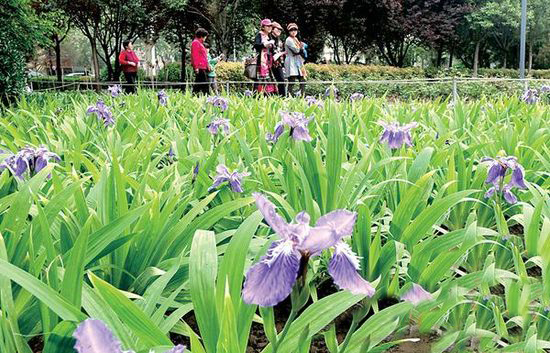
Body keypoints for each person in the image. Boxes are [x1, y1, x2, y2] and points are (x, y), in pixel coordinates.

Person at [253, 19, 277, 94]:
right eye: (268, 26)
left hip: (268, 61)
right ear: (263, 27)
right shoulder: (259, 35)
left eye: (271, 26)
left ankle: (267, 96)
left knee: (268, 79)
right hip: (261, 61)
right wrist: (264, 44)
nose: (270, 28)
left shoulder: (269, 36)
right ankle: (256, 95)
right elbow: (256, 45)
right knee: (259, 79)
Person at [284, 23, 306, 97]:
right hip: (291, 60)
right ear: (289, 31)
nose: (293, 31)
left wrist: (301, 48)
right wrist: (302, 47)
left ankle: (302, 95)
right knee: (292, 80)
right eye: (291, 30)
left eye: (295, 29)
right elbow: (297, 50)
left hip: (298, 60)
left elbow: (300, 49)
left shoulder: (295, 39)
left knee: (303, 78)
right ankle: (290, 96)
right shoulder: (289, 40)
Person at [191, 28, 211, 95]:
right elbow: (195, 55)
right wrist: (196, 67)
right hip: (200, 67)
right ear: (202, 36)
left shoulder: (200, 43)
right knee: (204, 85)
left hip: (203, 66)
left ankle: (194, 96)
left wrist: (207, 65)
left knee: (198, 85)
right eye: (205, 36)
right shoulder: (195, 43)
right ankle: (208, 97)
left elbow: (204, 56)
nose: (205, 38)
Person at [270, 21, 286, 96]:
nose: (279, 31)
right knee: (270, 81)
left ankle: (281, 98)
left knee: (281, 81)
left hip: (278, 63)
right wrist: (282, 53)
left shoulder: (279, 40)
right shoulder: (269, 38)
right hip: (269, 63)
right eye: (277, 29)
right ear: (272, 29)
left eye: (280, 30)